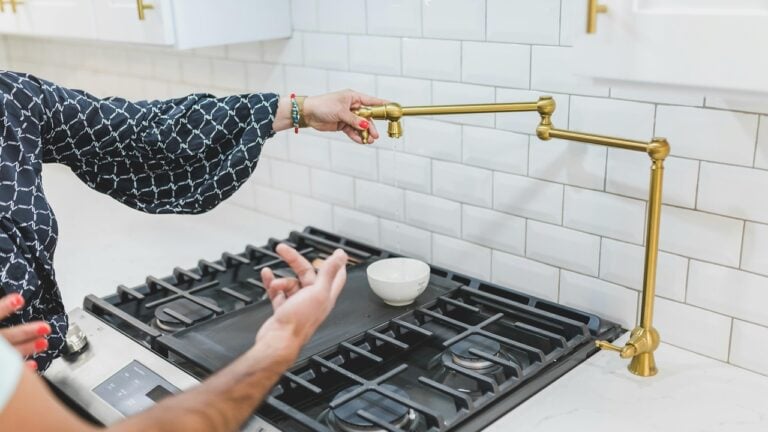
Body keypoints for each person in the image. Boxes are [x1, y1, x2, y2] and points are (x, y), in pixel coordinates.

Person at [0, 70, 385, 429]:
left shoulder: (11, 100)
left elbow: (146, 133)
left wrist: (302, 110)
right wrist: (280, 344)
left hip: (26, 377)